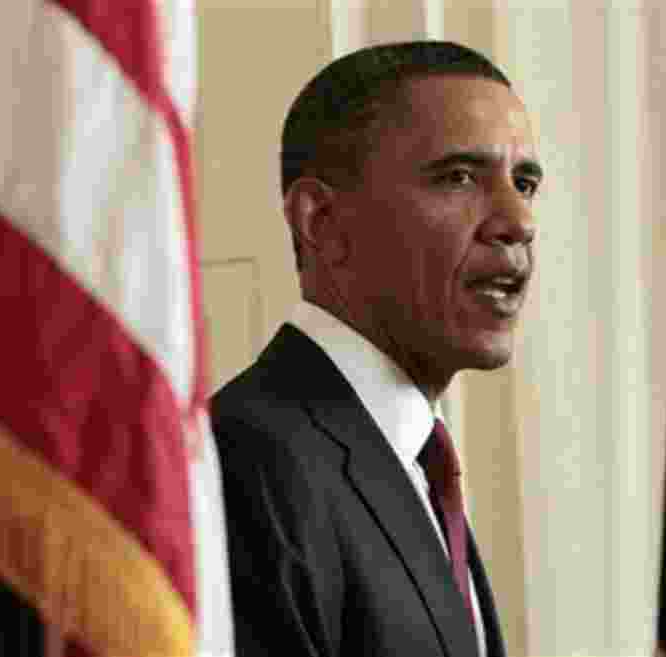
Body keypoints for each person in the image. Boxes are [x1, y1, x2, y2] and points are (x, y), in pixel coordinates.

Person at [211, 40, 541, 657]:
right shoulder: (245, 461)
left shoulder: (414, 464)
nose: (517, 220)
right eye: (460, 177)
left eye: (524, 183)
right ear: (321, 222)